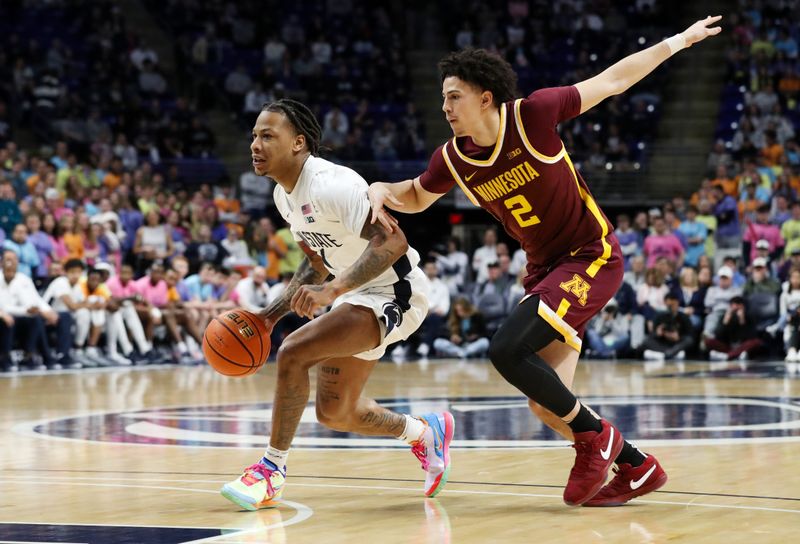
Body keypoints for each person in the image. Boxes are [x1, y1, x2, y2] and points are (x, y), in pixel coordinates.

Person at [368, 17, 723, 505]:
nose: (444, 106)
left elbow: (612, 80)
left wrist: (679, 41)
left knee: (505, 349)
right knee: (545, 402)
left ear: (485, 97)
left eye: (454, 96)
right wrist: (382, 189)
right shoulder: (452, 158)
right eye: (444, 97)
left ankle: (595, 442)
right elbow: (416, 196)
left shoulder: (532, 115)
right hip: (544, 272)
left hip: (590, 256)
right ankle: (636, 465)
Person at [221, 99, 452, 512]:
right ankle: (423, 432)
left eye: (267, 135)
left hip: (394, 292)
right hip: (355, 295)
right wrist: (269, 315)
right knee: (335, 412)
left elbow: (393, 242)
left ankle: (271, 470)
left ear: (298, 143)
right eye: (254, 136)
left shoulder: (332, 184)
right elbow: (317, 265)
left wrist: (333, 291)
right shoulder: (283, 197)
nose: (255, 144)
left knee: (293, 353)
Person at [641, 292, 694, 361]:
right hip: (663, 343)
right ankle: (669, 353)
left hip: (676, 344)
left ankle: (665, 354)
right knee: (646, 340)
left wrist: (678, 337)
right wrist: (658, 333)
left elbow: (689, 335)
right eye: (669, 305)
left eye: (672, 304)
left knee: (688, 340)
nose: (671, 307)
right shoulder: (660, 316)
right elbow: (653, 334)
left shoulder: (684, 317)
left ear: (677, 302)